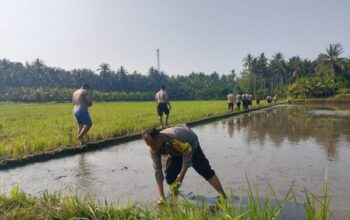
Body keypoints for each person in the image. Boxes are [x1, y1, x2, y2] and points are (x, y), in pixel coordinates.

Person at [142, 124, 227, 203]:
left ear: (160, 137)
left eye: (153, 144)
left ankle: (223, 196)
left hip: (190, 143)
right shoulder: (154, 149)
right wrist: (161, 197)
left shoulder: (175, 138)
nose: (152, 149)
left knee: (204, 170)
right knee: (170, 176)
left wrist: (181, 177)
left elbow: (187, 156)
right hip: (175, 151)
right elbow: (158, 171)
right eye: (149, 145)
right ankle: (175, 196)